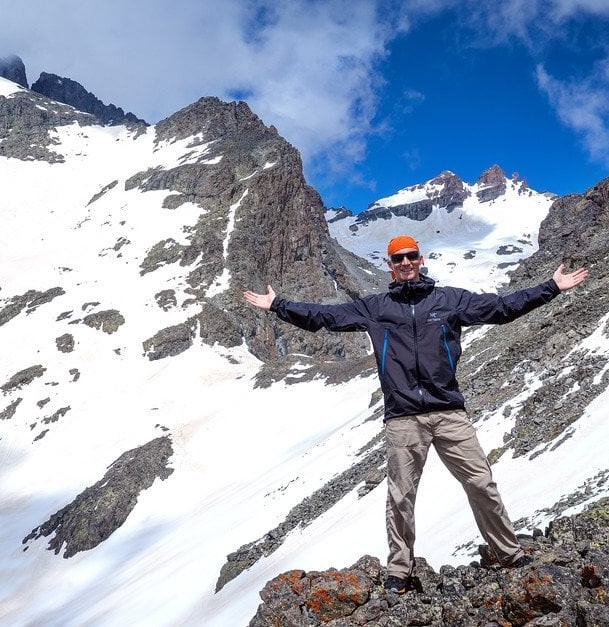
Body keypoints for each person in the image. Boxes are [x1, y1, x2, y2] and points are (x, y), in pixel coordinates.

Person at [243, 234, 589, 593]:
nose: (406, 263)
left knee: (481, 483)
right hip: (403, 417)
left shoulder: (449, 300)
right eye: (398, 259)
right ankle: (399, 571)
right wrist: (277, 305)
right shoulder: (376, 308)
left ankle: (509, 553)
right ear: (390, 266)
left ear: (420, 259)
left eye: (411, 256)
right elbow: (325, 317)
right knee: (401, 496)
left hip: (449, 411)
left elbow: (502, 308)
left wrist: (551, 287)